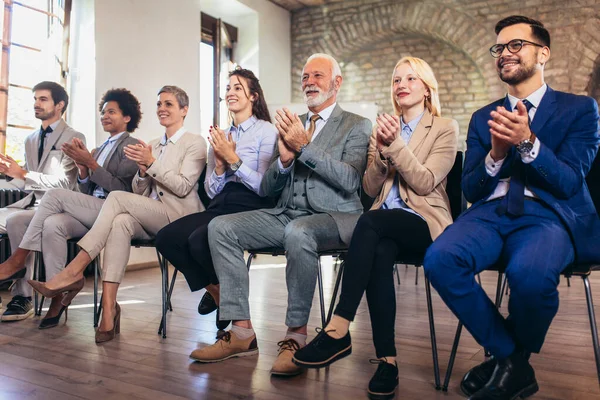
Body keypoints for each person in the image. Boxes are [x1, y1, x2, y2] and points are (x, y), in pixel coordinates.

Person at [423, 16, 600, 400]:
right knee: (439, 259)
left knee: (531, 277)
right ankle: (512, 360)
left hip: (549, 216)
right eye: (500, 48)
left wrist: (528, 142)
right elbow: (470, 188)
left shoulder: (580, 109)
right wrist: (495, 154)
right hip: (488, 214)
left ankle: (505, 361)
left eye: (516, 45)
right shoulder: (481, 117)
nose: (505, 53)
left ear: (543, 53)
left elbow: (570, 181)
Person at [188, 53, 372, 377]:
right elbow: (267, 191)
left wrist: (304, 148)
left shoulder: (357, 125)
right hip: (285, 212)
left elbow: (350, 181)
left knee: (299, 232)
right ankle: (242, 331)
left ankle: (295, 337)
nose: (309, 82)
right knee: (220, 227)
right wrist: (285, 162)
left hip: (336, 217)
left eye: (317, 76)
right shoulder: (290, 123)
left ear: (336, 83)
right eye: (304, 77)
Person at [292, 57, 459, 399]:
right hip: (384, 226)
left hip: (424, 222)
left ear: (427, 89)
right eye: (397, 79)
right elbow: (369, 189)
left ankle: (339, 327)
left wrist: (395, 145)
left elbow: (425, 183)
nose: (402, 85)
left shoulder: (445, 128)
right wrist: (382, 153)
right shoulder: (381, 129)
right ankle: (388, 361)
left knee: (369, 223)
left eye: (411, 79)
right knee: (378, 249)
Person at [28, 86, 207, 343]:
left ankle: (74, 269)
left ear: (184, 110)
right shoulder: (153, 144)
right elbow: (139, 189)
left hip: (179, 217)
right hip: (149, 214)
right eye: (159, 104)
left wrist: (151, 163)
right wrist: (144, 170)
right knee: (120, 222)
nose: (162, 109)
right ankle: (109, 309)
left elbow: (182, 187)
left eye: (168, 104)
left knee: (115, 198)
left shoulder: (195, 142)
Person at [0, 88, 141, 328]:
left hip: (113, 210)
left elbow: (122, 190)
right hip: (91, 210)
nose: (105, 116)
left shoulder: (132, 145)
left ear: (127, 117)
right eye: (103, 112)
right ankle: (58, 295)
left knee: (55, 195)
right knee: (53, 224)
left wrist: (90, 164)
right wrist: (84, 170)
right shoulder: (98, 148)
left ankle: (18, 260)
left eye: (112, 112)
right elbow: (85, 192)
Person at [155, 69, 276, 330]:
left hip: (252, 205)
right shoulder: (219, 135)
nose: (230, 93)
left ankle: (231, 306)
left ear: (253, 96)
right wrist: (220, 165)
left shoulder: (267, 132)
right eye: (228, 88)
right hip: (221, 203)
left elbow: (264, 187)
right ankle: (219, 292)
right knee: (166, 238)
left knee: (200, 239)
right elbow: (210, 191)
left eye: (237, 88)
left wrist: (234, 160)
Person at [0, 81, 85, 322]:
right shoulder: (29, 139)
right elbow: (27, 180)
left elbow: (64, 185)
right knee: (11, 218)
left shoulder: (74, 137)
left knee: (18, 221)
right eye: (35, 99)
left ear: (60, 105)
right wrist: (11, 173)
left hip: (61, 207)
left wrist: (23, 174)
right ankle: (16, 293)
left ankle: (30, 293)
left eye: (43, 99)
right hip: (34, 204)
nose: (36, 104)